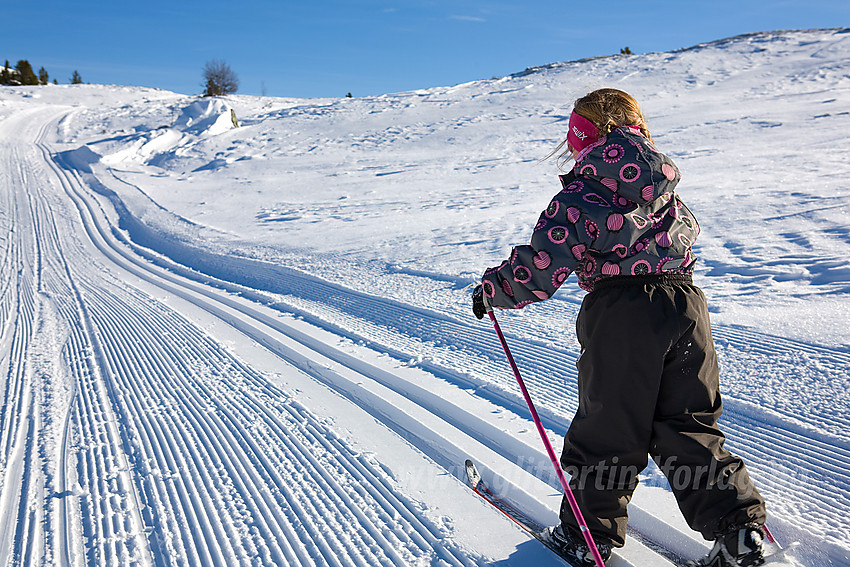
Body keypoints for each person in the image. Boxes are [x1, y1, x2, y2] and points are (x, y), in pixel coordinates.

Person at [472, 88, 767, 567]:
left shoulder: (581, 193)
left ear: (583, 138)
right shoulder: (666, 187)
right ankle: (740, 534)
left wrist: (497, 288)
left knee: (609, 428)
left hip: (623, 312)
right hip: (686, 306)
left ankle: (586, 537)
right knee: (689, 425)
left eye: (572, 142)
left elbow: (543, 266)